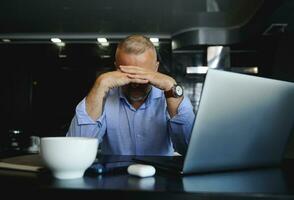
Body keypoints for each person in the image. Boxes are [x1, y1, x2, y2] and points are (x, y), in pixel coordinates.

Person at [67, 35, 195, 156]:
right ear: (116, 68)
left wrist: (171, 87)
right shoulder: (103, 98)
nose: (135, 83)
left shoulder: (169, 97)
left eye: (143, 75)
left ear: (156, 68)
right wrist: (100, 84)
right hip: (114, 177)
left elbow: (189, 150)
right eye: (128, 75)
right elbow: (74, 150)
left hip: (162, 177)